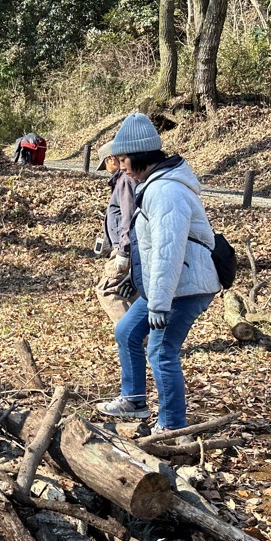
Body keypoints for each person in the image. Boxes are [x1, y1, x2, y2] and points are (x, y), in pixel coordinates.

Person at [95, 113, 220, 432]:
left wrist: (159, 305)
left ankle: (172, 427)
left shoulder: (166, 192)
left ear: (138, 156)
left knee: (161, 351)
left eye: (123, 159)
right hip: (164, 286)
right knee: (126, 332)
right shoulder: (154, 184)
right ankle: (134, 401)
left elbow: (169, 252)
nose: (120, 166)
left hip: (183, 286)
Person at [93, 140, 139, 324]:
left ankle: (133, 336)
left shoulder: (126, 180)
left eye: (105, 163)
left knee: (107, 290)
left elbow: (128, 216)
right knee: (132, 291)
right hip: (127, 245)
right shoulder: (123, 179)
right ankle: (149, 336)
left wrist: (123, 252)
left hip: (126, 247)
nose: (106, 169)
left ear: (111, 158)